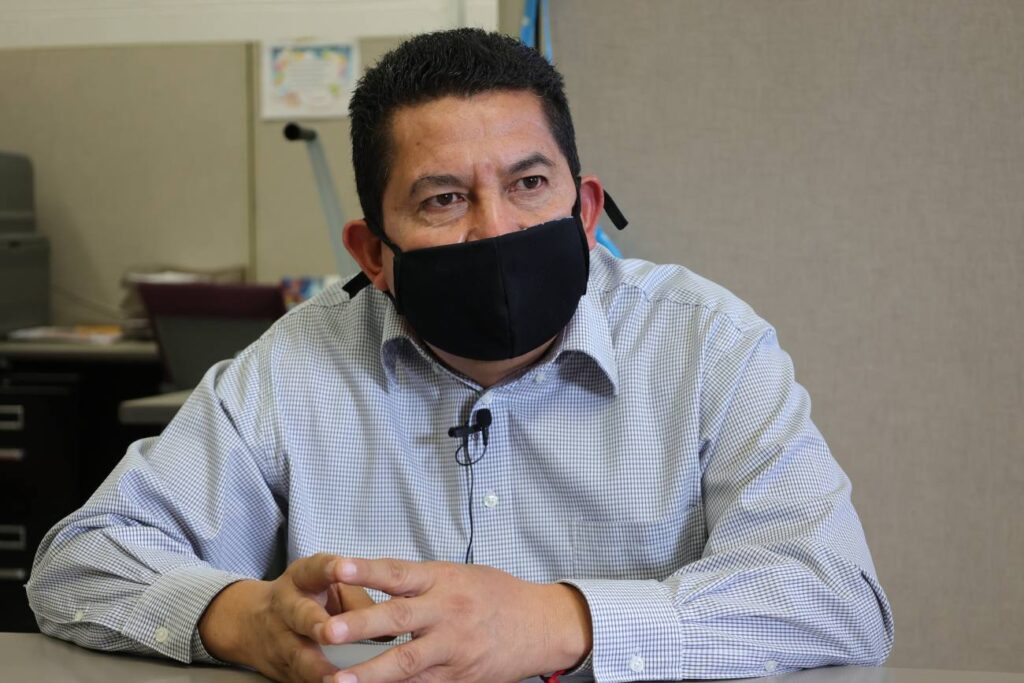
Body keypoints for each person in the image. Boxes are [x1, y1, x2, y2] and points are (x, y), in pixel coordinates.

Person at [27, 28, 893, 683]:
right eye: (443, 199)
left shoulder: (706, 344)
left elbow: (835, 592)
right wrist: (243, 618)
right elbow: (82, 560)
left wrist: (559, 621)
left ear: (587, 210)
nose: (497, 229)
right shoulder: (298, 362)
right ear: (373, 253)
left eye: (529, 184)